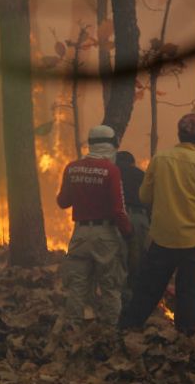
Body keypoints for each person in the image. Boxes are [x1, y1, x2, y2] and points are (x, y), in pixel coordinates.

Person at [119, 113, 195, 335]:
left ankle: (127, 328)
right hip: (193, 244)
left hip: (162, 239)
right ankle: (185, 338)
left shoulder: (160, 159)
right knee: (188, 292)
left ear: (179, 134)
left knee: (147, 289)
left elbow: (145, 196)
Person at [57, 125, 133, 327]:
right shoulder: (111, 171)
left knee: (77, 285)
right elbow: (119, 210)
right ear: (111, 145)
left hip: (79, 235)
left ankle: (72, 329)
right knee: (110, 285)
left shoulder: (72, 168)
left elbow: (63, 202)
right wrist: (128, 233)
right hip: (105, 235)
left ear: (90, 144)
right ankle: (111, 331)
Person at [114, 151, 150, 304]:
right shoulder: (141, 174)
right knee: (139, 258)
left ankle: (121, 299)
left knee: (120, 259)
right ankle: (137, 300)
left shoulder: (112, 173)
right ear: (132, 163)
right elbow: (151, 199)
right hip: (140, 217)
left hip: (118, 218)